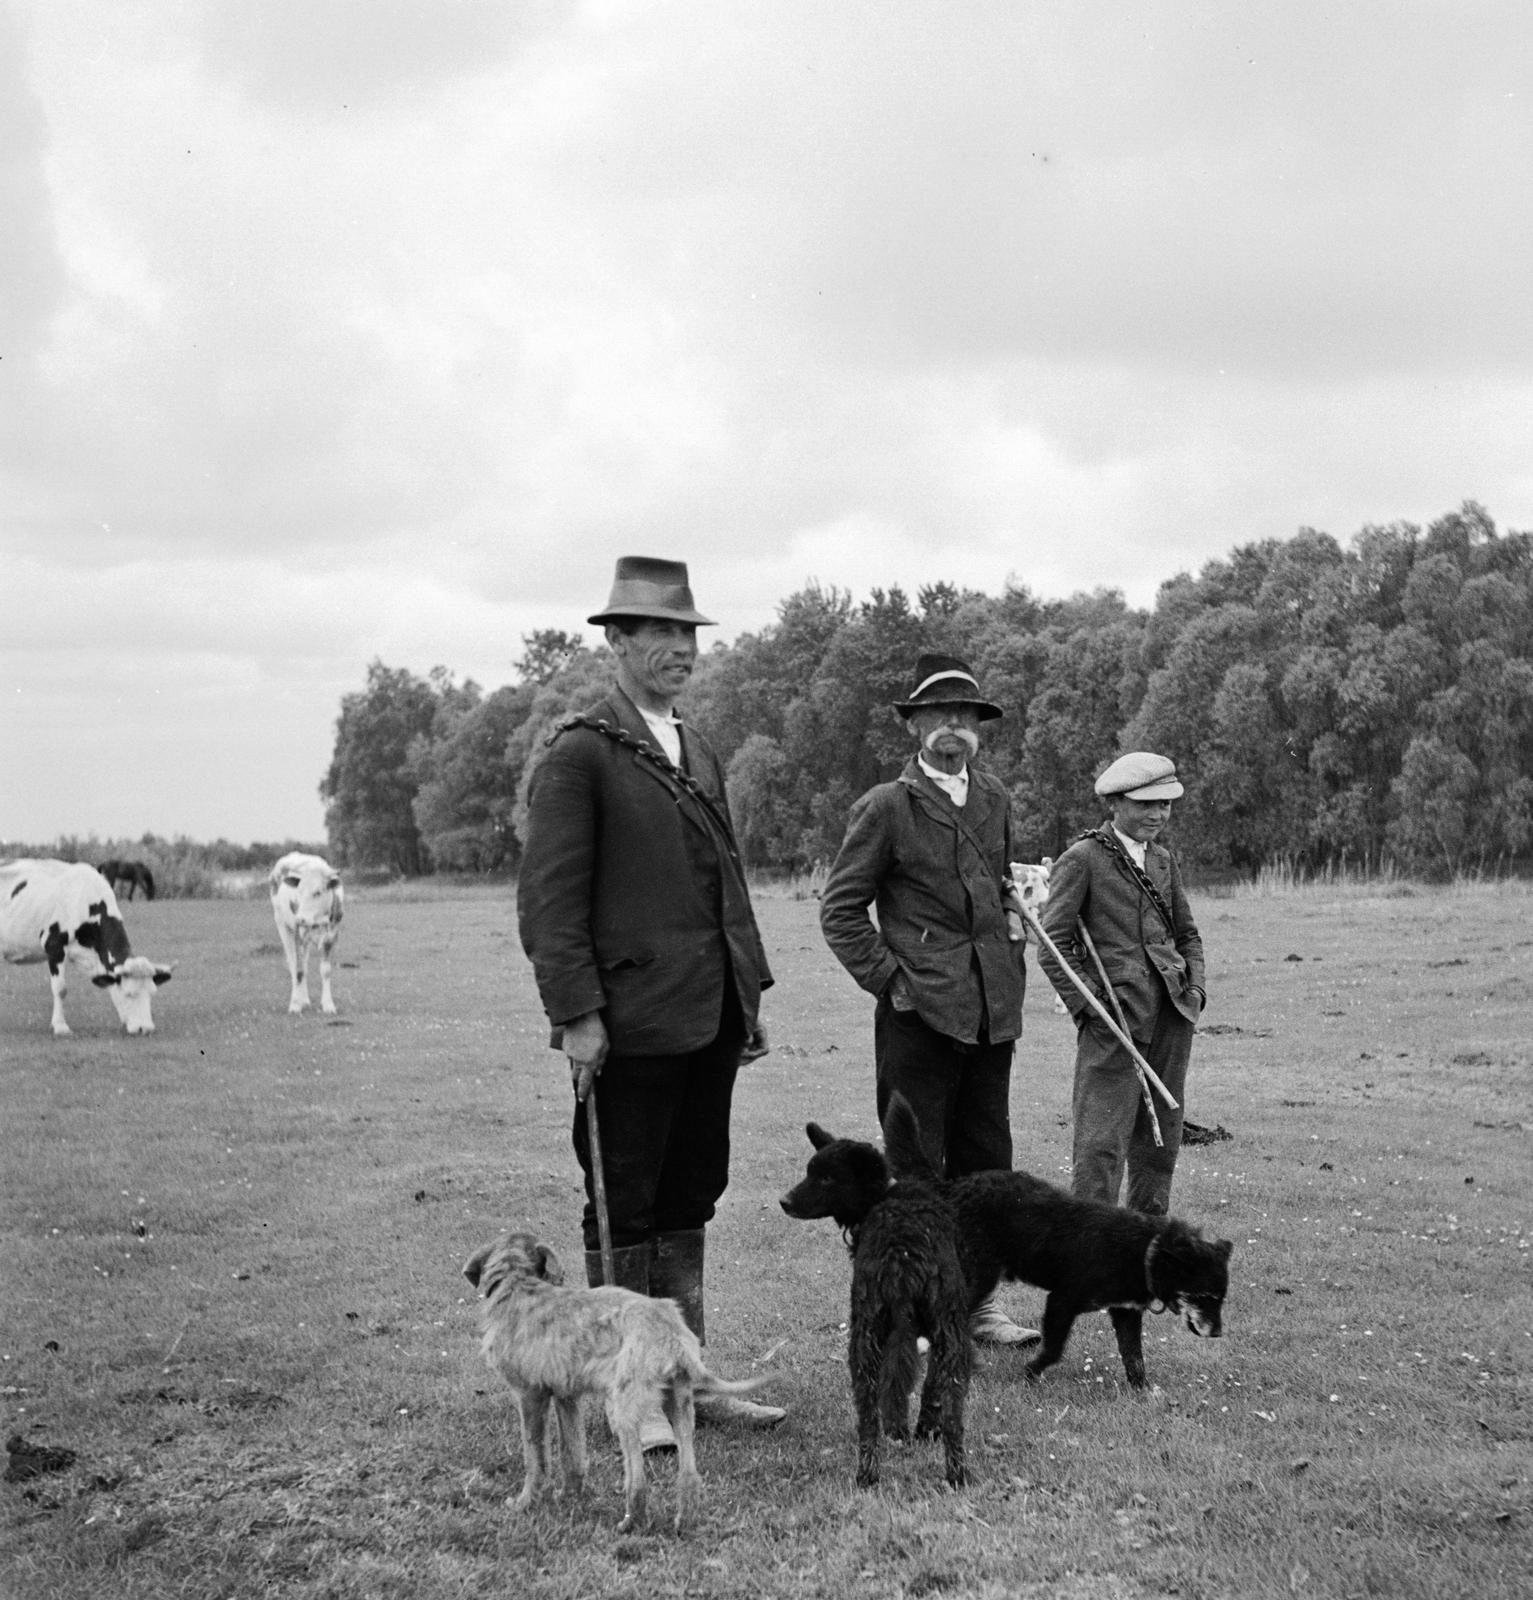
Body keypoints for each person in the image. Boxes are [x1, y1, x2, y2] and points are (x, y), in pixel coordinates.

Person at [516, 555, 786, 1442]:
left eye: (688, 632)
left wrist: (745, 998)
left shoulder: (698, 746)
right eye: (659, 632)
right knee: (624, 1201)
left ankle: (686, 1381)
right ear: (617, 643)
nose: (679, 648)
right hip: (627, 1024)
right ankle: (633, 1401)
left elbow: (723, 884)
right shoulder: (580, 753)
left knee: (691, 1194)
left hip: (707, 1015)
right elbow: (549, 901)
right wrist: (576, 1013)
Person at [818, 653, 1038, 1346]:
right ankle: (907, 1310)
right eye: (939, 716)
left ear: (979, 729)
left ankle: (977, 1306)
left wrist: (1018, 912)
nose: (953, 729)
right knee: (915, 1168)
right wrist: (893, 983)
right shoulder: (885, 806)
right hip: (919, 1016)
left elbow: (1000, 888)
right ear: (914, 725)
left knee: (986, 1164)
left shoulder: (996, 799)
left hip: (991, 1012)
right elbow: (841, 910)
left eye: (966, 718)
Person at [1036, 751, 1206, 1216]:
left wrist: (1195, 991)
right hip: (1112, 1021)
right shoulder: (1083, 858)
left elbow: (1187, 934)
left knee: (1161, 1141)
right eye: (1145, 804)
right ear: (1114, 803)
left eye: (1165, 805)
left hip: (1172, 1015)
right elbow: (1052, 945)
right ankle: (1092, 1252)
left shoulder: (1164, 860)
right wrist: (1090, 1008)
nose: (1157, 814)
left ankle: (1145, 1245)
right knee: (1101, 1143)